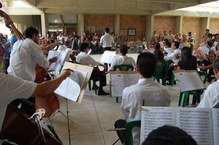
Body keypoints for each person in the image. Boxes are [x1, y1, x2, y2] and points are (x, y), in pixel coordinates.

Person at [0, 45, 72, 131]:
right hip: (21, 83)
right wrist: (63, 76)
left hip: (15, 81)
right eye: (2, 55)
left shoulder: (17, 45)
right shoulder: (3, 81)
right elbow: (44, 89)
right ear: (35, 36)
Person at [115, 52, 171, 145]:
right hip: (158, 137)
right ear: (155, 70)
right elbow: (166, 109)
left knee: (119, 123)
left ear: (137, 69)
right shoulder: (165, 91)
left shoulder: (128, 91)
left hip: (135, 139)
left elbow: (125, 113)